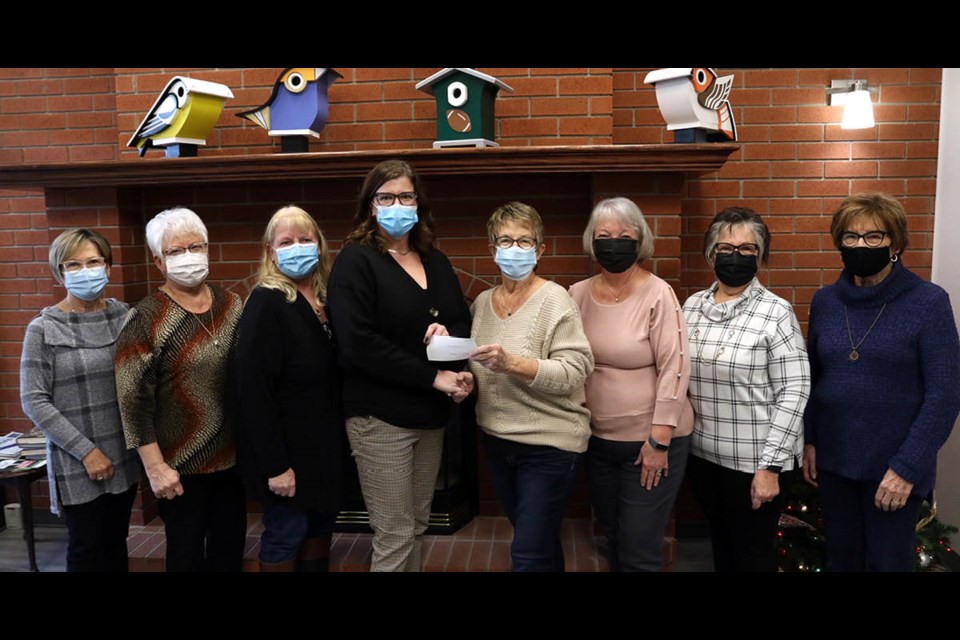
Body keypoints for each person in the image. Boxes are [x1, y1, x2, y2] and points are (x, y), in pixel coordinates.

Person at [326, 159, 473, 572]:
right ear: (371, 206)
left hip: (429, 416)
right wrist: (435, 376)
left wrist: (450, 340)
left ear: (418, 202)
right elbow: (358, 345)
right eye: (386, 197)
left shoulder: (436, 260)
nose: (397, 204)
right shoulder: (356, 261)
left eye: (405, 196)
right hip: (379, 418)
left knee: (417, 525)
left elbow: (461, 318)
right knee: (393, 534)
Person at [803, 193, 960, 572]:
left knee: (888, 563)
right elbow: (813, 378)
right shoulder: (825, 302)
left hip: (894, 468)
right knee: (841, 560)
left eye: (874, 237)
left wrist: (907, 468)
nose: (861, 245)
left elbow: (945, 395)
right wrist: (809, 439)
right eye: (851, 237)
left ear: (895, 243)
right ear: (839, 241)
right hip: (834, 462)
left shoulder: (928, 302)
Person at [115, 207, 246, 572]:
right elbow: (131, 399)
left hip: (231, 460)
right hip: (178, 468)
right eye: (176, 251)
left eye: (196, 246)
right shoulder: (145, 318)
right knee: (186, 557)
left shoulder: (231, 304)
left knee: (228, 552)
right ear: (159, 262)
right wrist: (154, 467)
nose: (189, 256)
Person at [569, 197, 694, 572]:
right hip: (598, 441)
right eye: (604, 235)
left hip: (651, 443)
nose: (614, 242)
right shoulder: (576, 294)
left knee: (640, 548)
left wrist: (659, 441)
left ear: (640, 241)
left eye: (625, 235)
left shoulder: (659, 293)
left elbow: (676, 366)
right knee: (613, 536)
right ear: (592, 240)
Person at [468, 201, 594, 572]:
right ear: (491, 250)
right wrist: (462, 377)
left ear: (540, 250)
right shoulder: (480, 303)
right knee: (536, 541)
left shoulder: (556, 300)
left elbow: (575, 372)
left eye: (525, 241)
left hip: (549, 445)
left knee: (526, 554)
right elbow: (479, 364)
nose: (514, 249)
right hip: (498, 443)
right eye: (505, 241)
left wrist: (513, 364)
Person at [682, 207, 810, 572]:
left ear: (761, 256)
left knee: (752, 555)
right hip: (704, 458)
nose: (735, 256)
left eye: (747, 249)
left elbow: (795, 388)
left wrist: (770, 466)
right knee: (723, 545)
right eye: (725, 247)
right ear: (710, 253)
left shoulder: (776, 312)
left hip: (757, 462)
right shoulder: (691, 307)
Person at [19, 228, 141, 572]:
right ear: (60, 273)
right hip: (78, 460)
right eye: (73, 264)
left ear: (108, 267)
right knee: (86, 549)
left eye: (92, 261)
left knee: (116, 543)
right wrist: (87, 452)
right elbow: (33, 400)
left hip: (124, 453)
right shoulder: (43, 328)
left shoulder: (125, 317)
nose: (84, 270)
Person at [236, 205, 343, 572]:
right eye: (286, 241)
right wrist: (276, 466)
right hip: (285, 456)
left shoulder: (327, 300)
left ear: (319, 245)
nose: (296, 247)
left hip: (323, 453)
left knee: (319, 529)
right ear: (270, 251)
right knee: (287, 533)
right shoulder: (266, 303)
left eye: (305, 239)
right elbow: (253, 393)